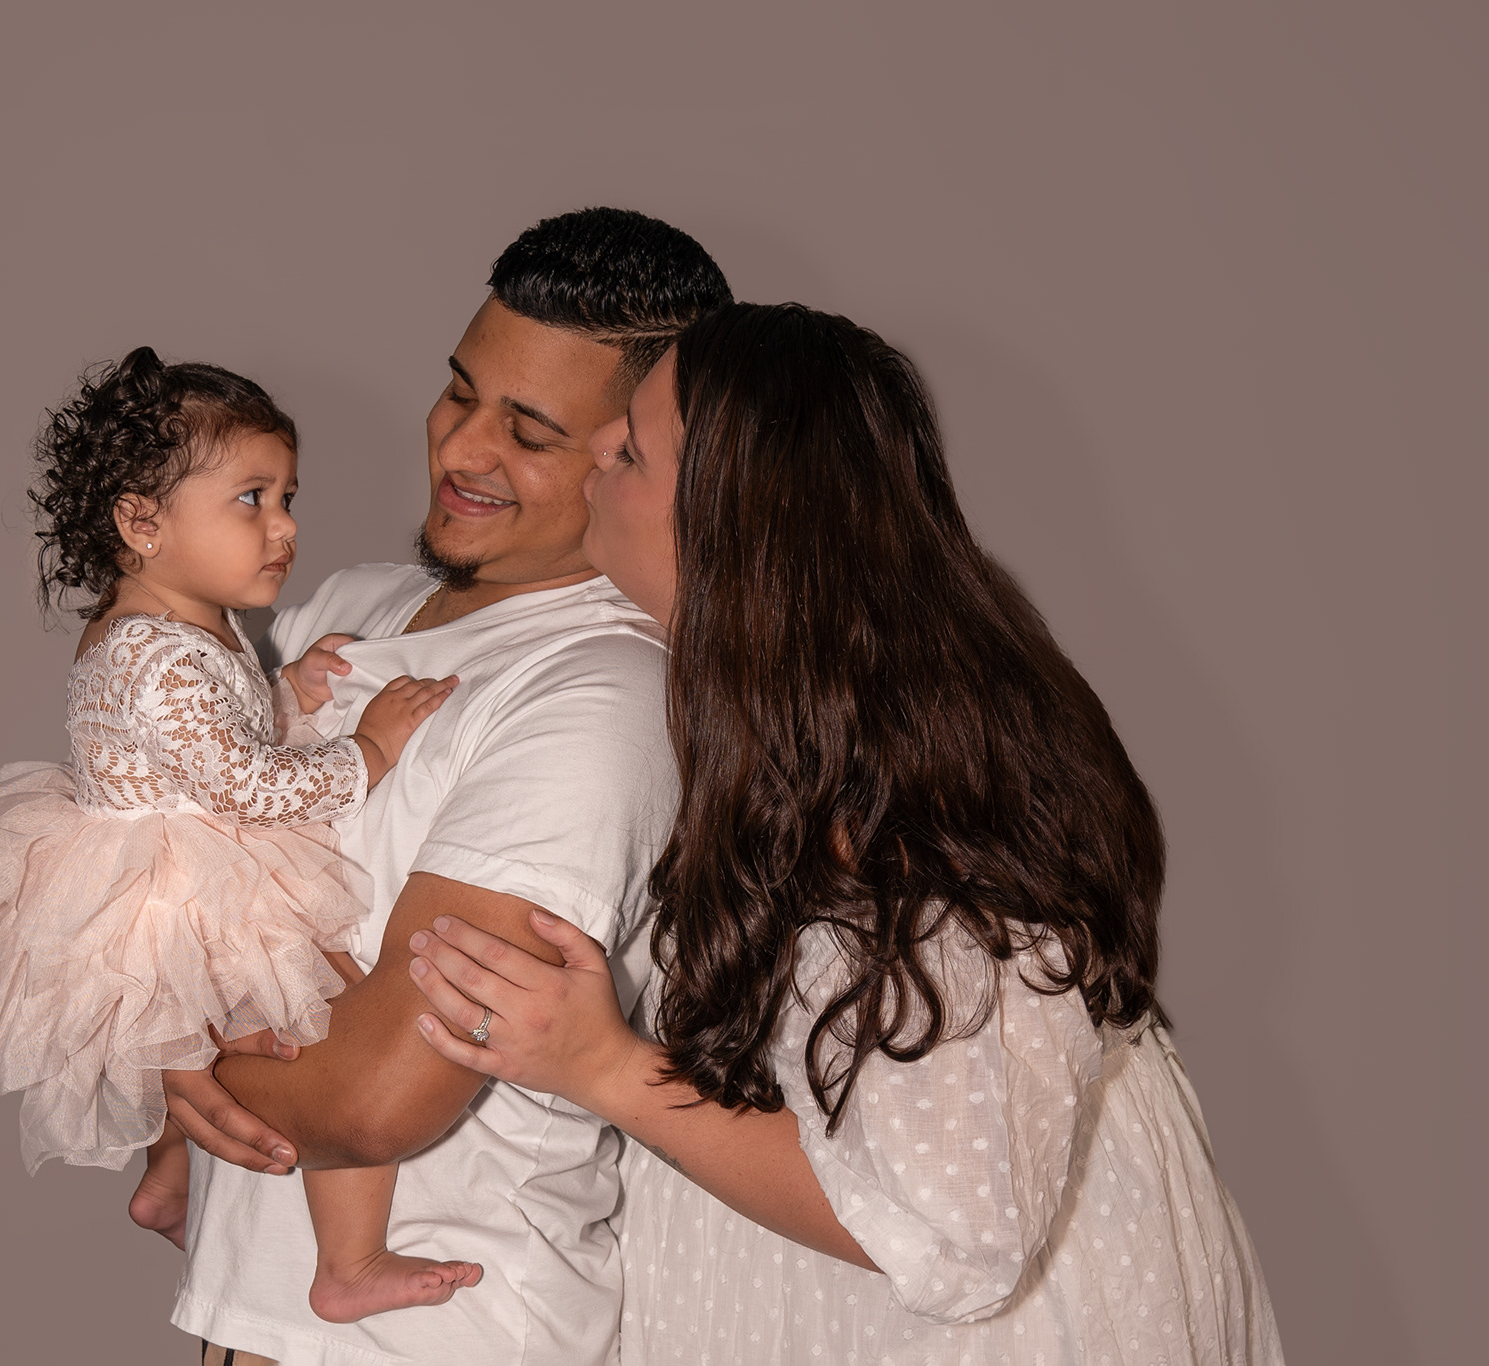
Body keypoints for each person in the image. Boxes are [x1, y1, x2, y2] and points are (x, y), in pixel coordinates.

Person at [411, 303, 1286, 1363]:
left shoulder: (911, 807)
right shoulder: (795, 720)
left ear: (732, 530)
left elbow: (956, 1236)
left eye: (632, 449)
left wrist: (602, 1066)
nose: (596, 446)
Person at [160, 208, 733, 1365]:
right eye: (460, 392)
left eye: (529, 432)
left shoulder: (602, 694)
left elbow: (376, 1094)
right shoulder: (348, 608)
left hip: (443, 1331)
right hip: (252, 1325)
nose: (462, 449)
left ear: (632, 457)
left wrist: (160, 1035)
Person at [0, 347, 487, 1323]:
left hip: (169, 870)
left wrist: (290, 692)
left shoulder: (179, 622)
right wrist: (368, 747)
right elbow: (246, 783)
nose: (285, 526)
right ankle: (349, 1259)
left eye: (287, 497)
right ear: (141, 522)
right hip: (186, 890)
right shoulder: (157, 656)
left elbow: (217, 736)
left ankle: (168, 1179)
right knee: (328, 1016)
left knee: (195, 1037)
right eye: (251, 499)